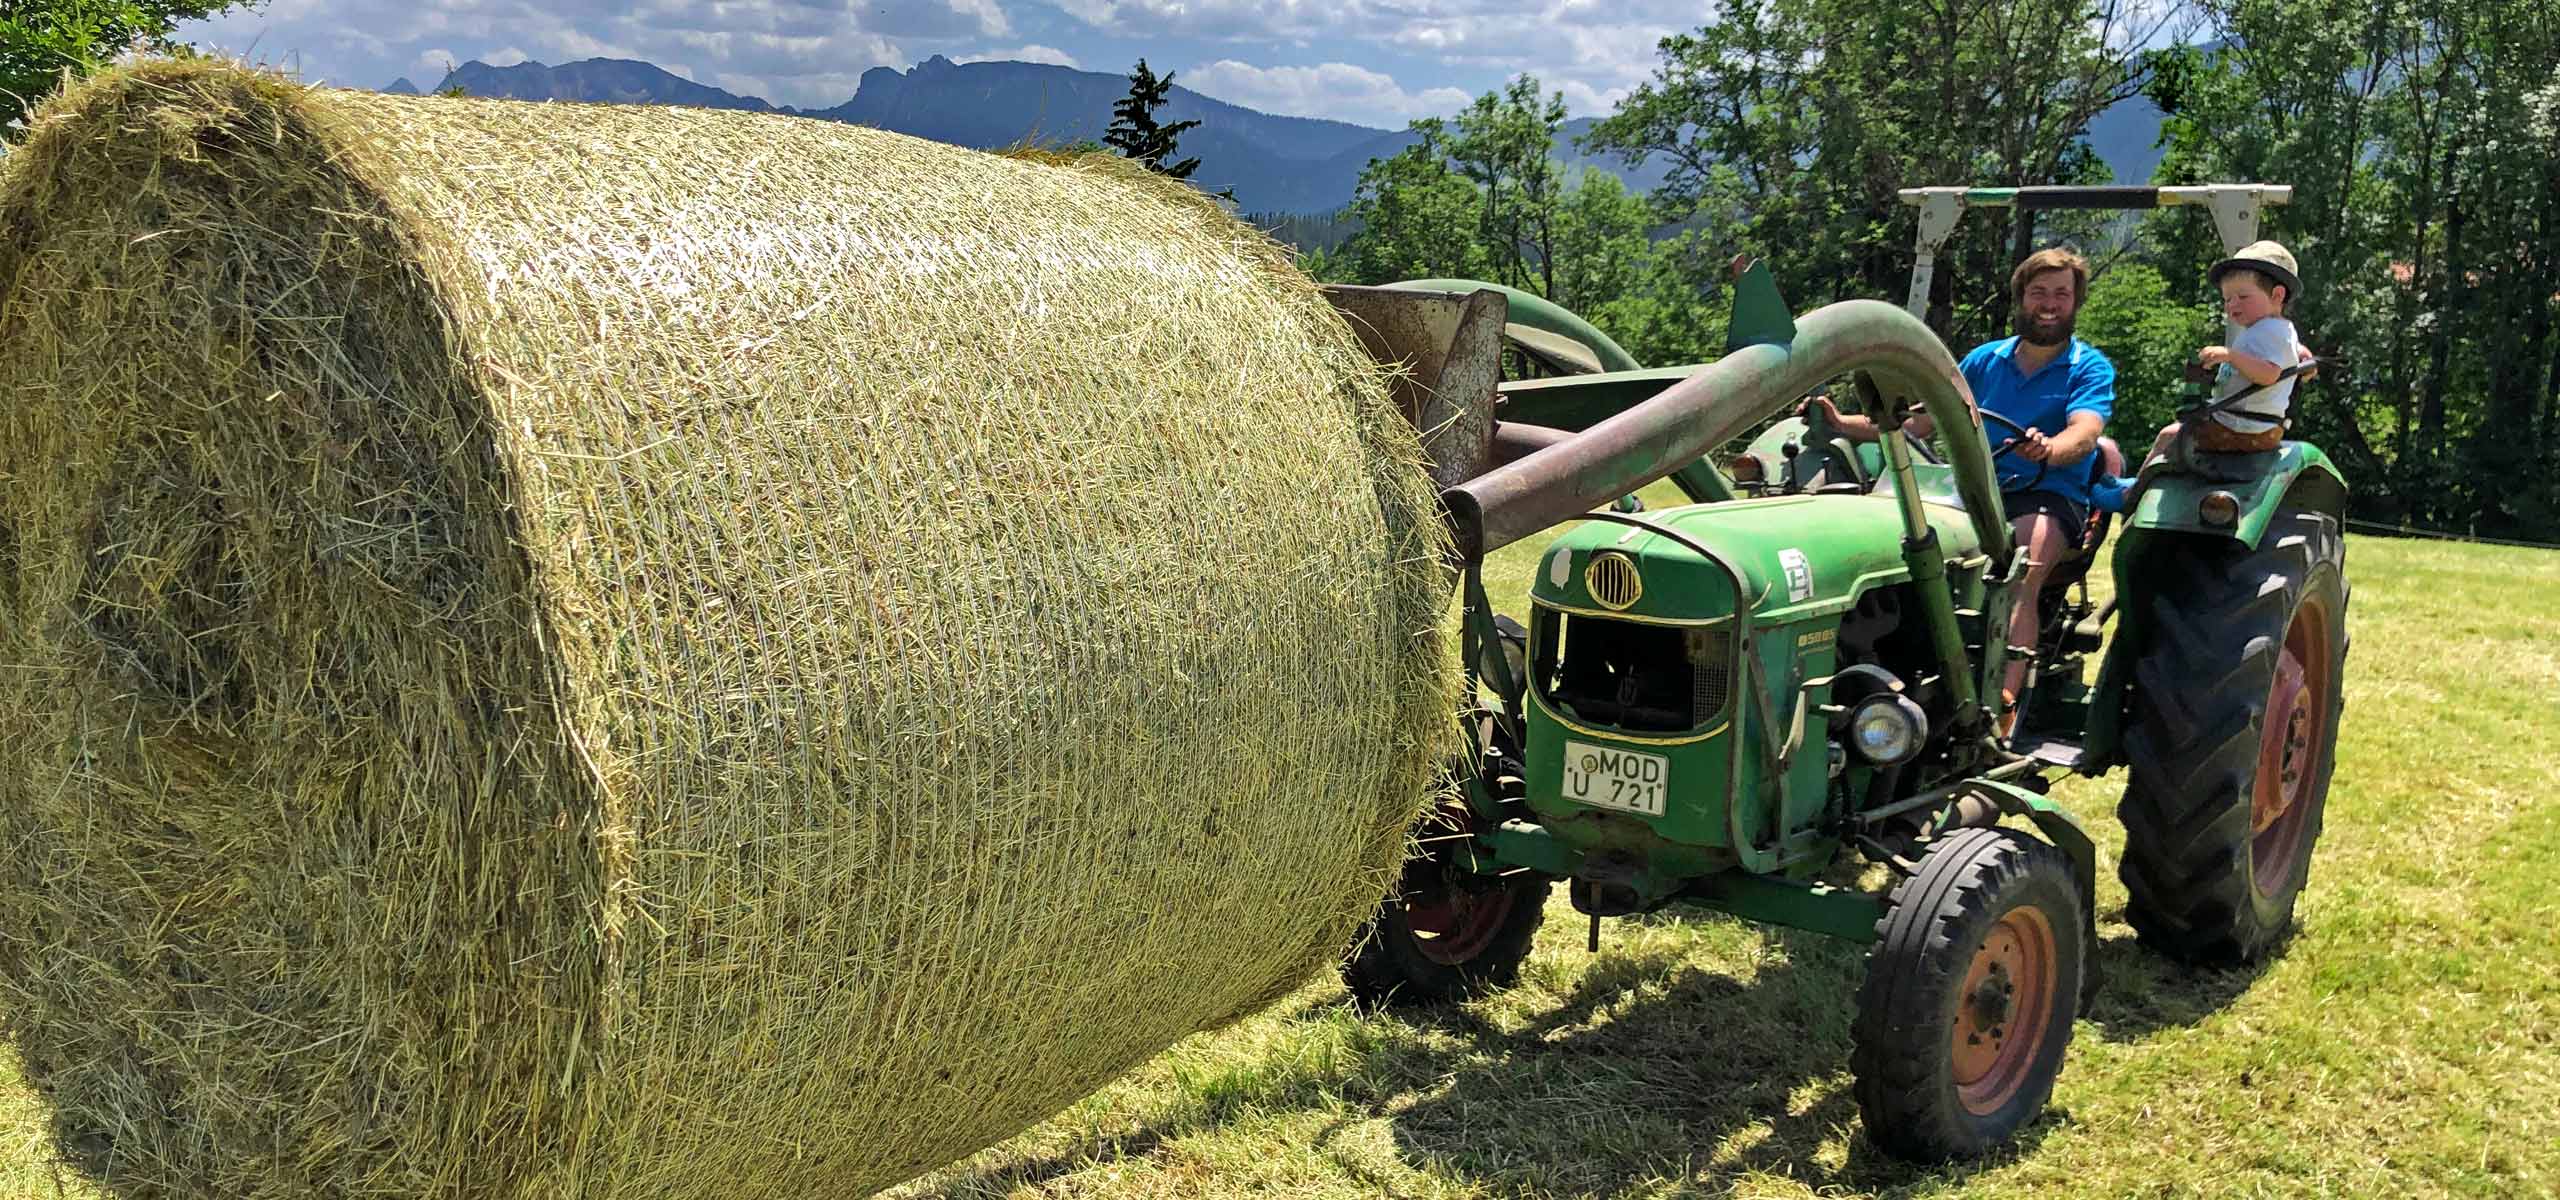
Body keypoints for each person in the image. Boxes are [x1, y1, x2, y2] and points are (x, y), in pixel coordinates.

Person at [1804, 247, 2115, 727]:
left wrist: (2051, 449)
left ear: (2076, 302)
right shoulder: (1983, 360)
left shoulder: (2087, 367)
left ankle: (2002, 708)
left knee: (2020, 571)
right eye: (2038, 293)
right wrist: (1843, 422)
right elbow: (1920, 424)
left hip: (2047, 491)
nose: (2049, 303)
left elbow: (2086, 431)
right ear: (2021, 299)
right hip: (1969, 486)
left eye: (2061, 293)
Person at [2092, 241, 2309, 513]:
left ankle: (2132, 494)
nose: (2232, 305)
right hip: (2242, 423)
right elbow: (2285, 353)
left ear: (2277, 295)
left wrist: (2230, 355)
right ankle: (2144, 482)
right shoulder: (2272, 330)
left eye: (2243, 297)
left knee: (2171, 435)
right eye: (2227, 299)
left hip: (2243, 428)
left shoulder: (2270, 331)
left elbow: (2269, 374)